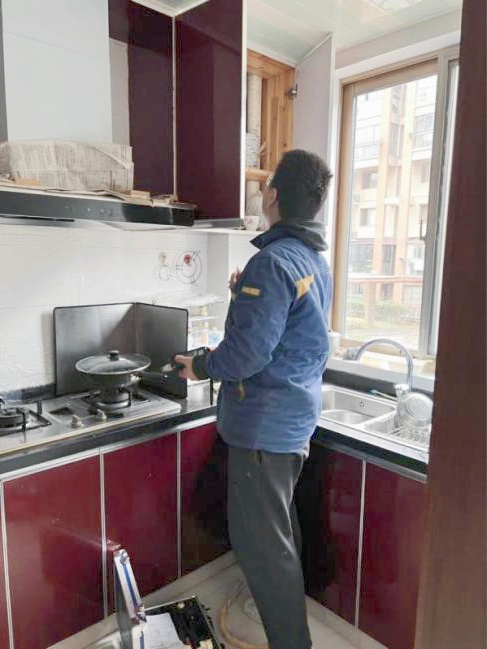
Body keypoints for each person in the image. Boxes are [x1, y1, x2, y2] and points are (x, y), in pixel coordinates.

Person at [175, 149, 333, 649]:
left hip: (263, 429)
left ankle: (290, 639)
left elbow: (246, 355)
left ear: (274, 195)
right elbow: (288, 333)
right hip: (293, 423)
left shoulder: (272, 262)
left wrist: (200, 365)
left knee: (264, 547)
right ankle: (280, 618)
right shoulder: (311, 260)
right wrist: (242, 297)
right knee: (279, 533)